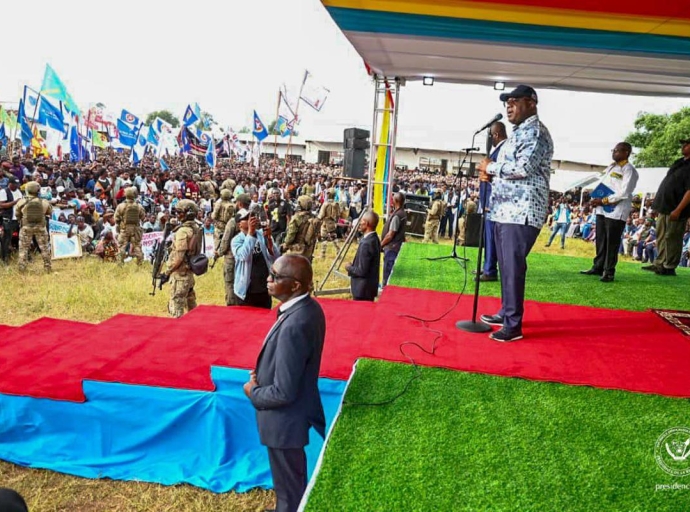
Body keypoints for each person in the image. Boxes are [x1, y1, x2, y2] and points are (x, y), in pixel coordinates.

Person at [243, 254, 326, 512]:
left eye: (276, 277)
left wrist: (253, 392)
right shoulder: (307, 308)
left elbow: (283, 392)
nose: (268, 279)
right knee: (288, 483)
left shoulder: (295, 324)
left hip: (284, 421)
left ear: (295, 286)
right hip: (289, 419)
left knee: (289, 486)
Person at [477, 84, 554, 342]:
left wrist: (492, 167)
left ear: (531, 103)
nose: (509, 106)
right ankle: (506, 311)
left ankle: (513, 326)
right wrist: (490, 173)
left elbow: (523, 168)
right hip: (505, 210)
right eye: (506, 102)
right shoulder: (518, 134)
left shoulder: (536, 134)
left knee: (512, 267)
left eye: (514, 101)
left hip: (521, 212)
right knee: (506, 265)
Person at [580, 143, 638, 282]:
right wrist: (594, 200)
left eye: (617, 151)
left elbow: (624, 192)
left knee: (611, 242)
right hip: (602, 210)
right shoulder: (612, 167)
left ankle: (609, 271)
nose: (614, 153)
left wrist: (604, 200)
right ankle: (598, 266)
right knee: (601, 240)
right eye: (614, 150)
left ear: (626, 152)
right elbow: (603, 185)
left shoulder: (629, 170)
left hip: (616, 211)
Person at [643, 138, 690, 276]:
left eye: (687, 144)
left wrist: (679, 209)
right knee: (661, 235)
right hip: (665, 206)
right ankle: (659, 262)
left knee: (673, 237)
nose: (683, 146)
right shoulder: (679, 162)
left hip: (676, 208)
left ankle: (669, 266)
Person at [231, 208, 280, 309]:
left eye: (251, 216)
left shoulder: (262, 234)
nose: (250, 219)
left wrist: (269, 239)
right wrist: (250, 233)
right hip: (246, 290)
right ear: (239, 224)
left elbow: (275, 257)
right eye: (246, 218)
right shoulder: (236, 240)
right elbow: (243, 256)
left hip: (263, 288)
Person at [479, 122, 507, 281]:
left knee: (490, 238)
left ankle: (489, 270)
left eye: (490, 135)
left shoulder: (503, 149)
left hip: (493, 202)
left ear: (495, 135)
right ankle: (486, 267)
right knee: (487, 237)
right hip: (488, 201)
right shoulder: (497, 149)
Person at [163, 200, 202, 318]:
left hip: (180, 275)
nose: (178, 215)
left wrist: (167, 272)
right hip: (189, 273)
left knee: (176, 306)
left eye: (180, 212)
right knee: (191, 304)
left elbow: (179, 257)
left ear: (189, 213)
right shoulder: (196, 228)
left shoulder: (183, 231)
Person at [217, 194, 250, 306]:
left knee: (230, 282)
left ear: (239, 203)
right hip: (247, 254)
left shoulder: (233, 220)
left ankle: (232, 306)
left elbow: (226, 240)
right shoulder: (251, 218)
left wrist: (219, 252)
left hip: (231, 256)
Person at [15, 181, 52, 272]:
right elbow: (49, 213)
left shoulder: (22, 201)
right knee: (44, 248)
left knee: (23, 249)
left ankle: (22, 268)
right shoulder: (44, 202)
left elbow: (17, 214)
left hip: (26, 227)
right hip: (41, 227)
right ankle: (47, 268)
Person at [346, 211, 381, 301]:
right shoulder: (375, 239)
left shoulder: (366, 243)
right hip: (369, 289)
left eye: (361, 221)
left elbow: (362, 271)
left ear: (366, 223)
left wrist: (349, 267)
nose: (360, 223)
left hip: (362, 292)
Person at [282, 195, 321, 260]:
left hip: (296, 250)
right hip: (309, 251)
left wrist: (285, 244)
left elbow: (290, 236)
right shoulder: (314, 217)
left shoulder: (296, 218)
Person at [114, 187, 145, 265]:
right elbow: (143, 217)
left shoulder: (121, 206)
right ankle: (140, 263)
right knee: (137, 246)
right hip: (135, 229)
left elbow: (116, 219)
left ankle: (120, 264)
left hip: (124, 229)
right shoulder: (139, 206)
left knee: (122, 246)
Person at [380, 192, 407, 286]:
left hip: (392, 248)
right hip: (395, 246)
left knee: (388, 272)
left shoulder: (397, 215)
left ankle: (385, 288)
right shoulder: (402, 212)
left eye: (393, 199)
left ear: (396, 201)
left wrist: (381, 244)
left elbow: (390, 235)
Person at [0, 177, 23, 262]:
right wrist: (15, 202)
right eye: (14, 184)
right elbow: (2, 205)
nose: (16, 186)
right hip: (8, 219)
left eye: (17, 184)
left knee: (20, 238)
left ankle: (20, 255)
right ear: (10, 184)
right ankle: (5, 259)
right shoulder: (4, 192)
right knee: (6, 240)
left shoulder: (18, 191)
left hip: (18, 219)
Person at [318, 189, 340, 258]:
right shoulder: (336, 204)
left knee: (324, 239)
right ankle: (339, 252)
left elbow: (321, 215)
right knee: (334, 238)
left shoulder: (325, 204)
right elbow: (338, 214)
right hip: (332, 223)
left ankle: (322, 254)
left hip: (325, 223)